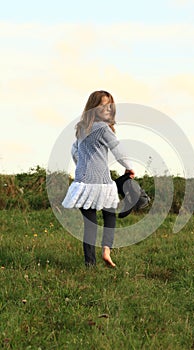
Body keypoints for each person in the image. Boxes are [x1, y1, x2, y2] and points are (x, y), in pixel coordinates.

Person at [62, 90, 135, 268]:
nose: (107, 108)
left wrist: (83, 166)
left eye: (110, 105)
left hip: (82, 183)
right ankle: (106, 250)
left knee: (91, 225)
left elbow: (74, 151)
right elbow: (117, 148)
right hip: (101, 182)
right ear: (93, 107)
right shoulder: (102, 128)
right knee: (110, 214)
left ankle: (90, 264)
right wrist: (128, 167)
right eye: (103, 105)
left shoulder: (81, 127)